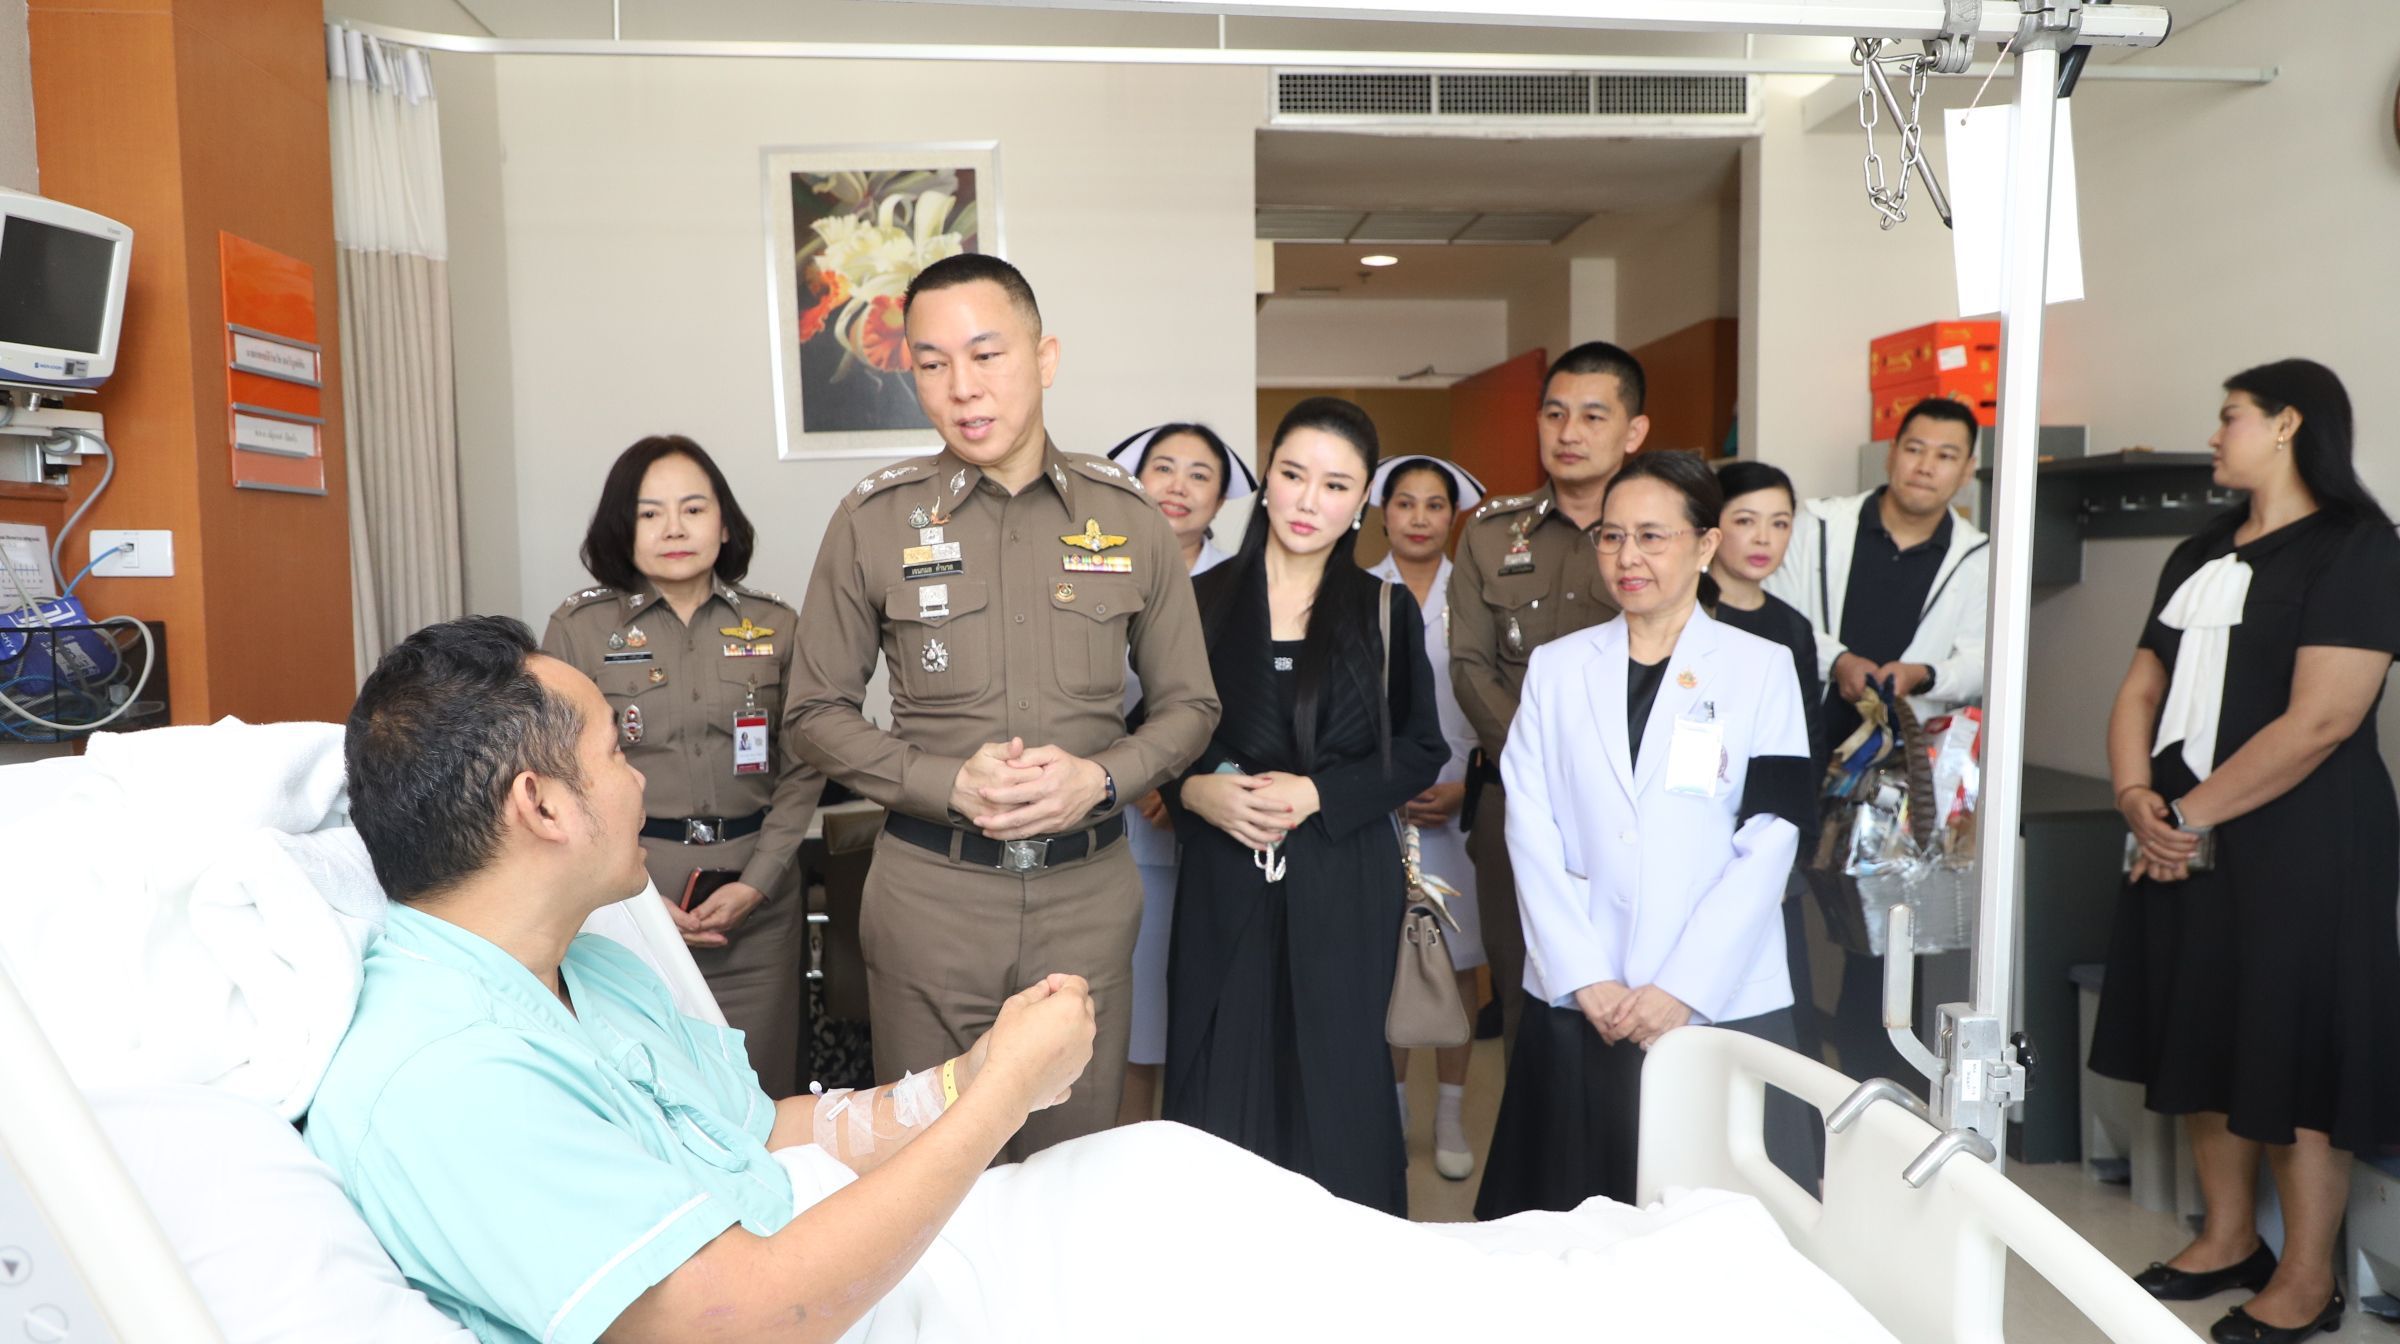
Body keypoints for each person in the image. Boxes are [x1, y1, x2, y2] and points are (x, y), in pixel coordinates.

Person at [306, 617, 1894, 1344]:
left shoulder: (584, 968)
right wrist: (995, 1101)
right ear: (539, 807)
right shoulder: (448, 1077)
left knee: (1254, 1214)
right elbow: (734, 1318)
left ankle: (1647, 1288)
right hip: (915, 1294)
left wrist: (939, 1087)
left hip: (971, 1231)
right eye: (609, 749)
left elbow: (752, 1129)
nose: (639, 772)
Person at [787, 254, 1220, 1158]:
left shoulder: (1129, 516)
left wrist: (1102, 779)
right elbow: (814, 712)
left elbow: (1191, 705)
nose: (962, 387)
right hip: (931, 901)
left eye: (987, 355)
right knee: (929, 1173)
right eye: (932, 363)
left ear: (1044, 357)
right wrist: (944, 783)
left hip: (1086, 901)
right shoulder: (875, 520)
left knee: (1070, 1169)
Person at [2088, 360, 2400, 1344]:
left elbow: (2324, 720)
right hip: (2182, 825)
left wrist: (2185, 817)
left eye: (2230, 417)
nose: (2215, 435)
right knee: (2202, 1022)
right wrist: (2136, 797)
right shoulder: (2200, 551)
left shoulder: (2359, 547)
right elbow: (2143, 687)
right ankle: (2227, 1238)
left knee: (2296, 1041)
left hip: (2306, 836)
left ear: (2288, 423)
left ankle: (2306, 1279)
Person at [1476, 451, 1816, 1219]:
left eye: (1652, 537)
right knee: (1573, 1223)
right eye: (1611, 536)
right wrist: (1582, 974)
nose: (1627, 557)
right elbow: (1528, 825)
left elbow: (1773, 834)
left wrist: (1683, 987)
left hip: (1720, 993)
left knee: (1716, 1229)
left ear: (1705, 544)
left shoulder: (1762, 669)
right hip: (1585, 994)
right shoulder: (1557, 669)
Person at [1165, 397, 1448, 1216]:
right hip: (1224, 877)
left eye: (1334, 485)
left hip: (1341, 876)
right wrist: (1194, 790)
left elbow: (1421, 748)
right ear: (1267, 480)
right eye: (1293, 474)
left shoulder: (1383, 609)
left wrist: (1319, 791)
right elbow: (1155, 734)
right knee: (1220, 1078)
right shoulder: (1199, 600)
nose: (1307, 501)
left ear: (1360, 502)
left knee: (1337, 1081)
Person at [541, 434, 824, 1097]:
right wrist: (630, 891)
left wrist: (759, 881)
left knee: (763, 1089)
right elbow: (556, 771)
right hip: (625, 896)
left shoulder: (777, 625)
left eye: (693, 509)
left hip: (759, 893)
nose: (674, 528)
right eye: (650, 513)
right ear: (623, 527)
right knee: (651, 1093)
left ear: (724, 524)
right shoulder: (580, 629)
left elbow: (807, 765)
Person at [1764, 395, 1988, 1086]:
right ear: (1892, 452)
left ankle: (1872, 1079)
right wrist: (1839, 659)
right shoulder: (1820, 526)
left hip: (1897, 770)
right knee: (1773, 899)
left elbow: (1987, 655)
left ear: (1967, 471)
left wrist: (1927, 673)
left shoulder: (1979, 555)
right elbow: (1781, 611)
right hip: (1805, 745)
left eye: (1946, 456)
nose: (1926, 466)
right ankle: (1786, 1065)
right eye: (1915, 448)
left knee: (1886, 929)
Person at [1449, 341, 1643, 1053]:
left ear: (1634, 432)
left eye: (1593, 415)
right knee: (1526, 990)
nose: (1569, 432)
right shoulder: (1491, 533)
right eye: (1555, 414)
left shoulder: (1658, 535)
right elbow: (1470, 667)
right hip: (1518, 799)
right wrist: (1544, 768)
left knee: (1637, 992)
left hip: (1637, 803)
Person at [1102, 421, 1256, 1126]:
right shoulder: (1097, 567)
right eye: (1164, 468)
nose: (1179, 486)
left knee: (1209, 1014)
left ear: (1221, 499)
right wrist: (1146, 779)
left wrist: (1183, 783)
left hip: (1220, 817)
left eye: (1200, 474)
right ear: (1138, 481)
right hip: (1120, 818)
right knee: (1137, 1018)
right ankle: (1134, 1151)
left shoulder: (1249, 583)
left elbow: (1256, 710)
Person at [1366, 452, 1491, 1180]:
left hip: (1456, 806)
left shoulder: (1473, 596)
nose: (1418, 518)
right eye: (1405, 503)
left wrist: (1463, 788)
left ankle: (1449, 1113)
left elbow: (1491, 702)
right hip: (1378, 808)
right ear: (1383, 513)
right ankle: (1390, 1110)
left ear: (1454, 516)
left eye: (1434, 504)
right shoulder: (1358, 592)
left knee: (1458, 964)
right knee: (1387, 960)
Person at [1707, 458, 1826, 1065]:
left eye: (1779, 523)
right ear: (1711, 527)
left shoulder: (1792, 628)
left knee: (1775, 1013)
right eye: (1745, 520)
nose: (1763, 538)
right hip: (1693, 827)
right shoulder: (1684, 612)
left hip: (1766, 837)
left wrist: (1786, 852)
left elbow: (1806, 746)